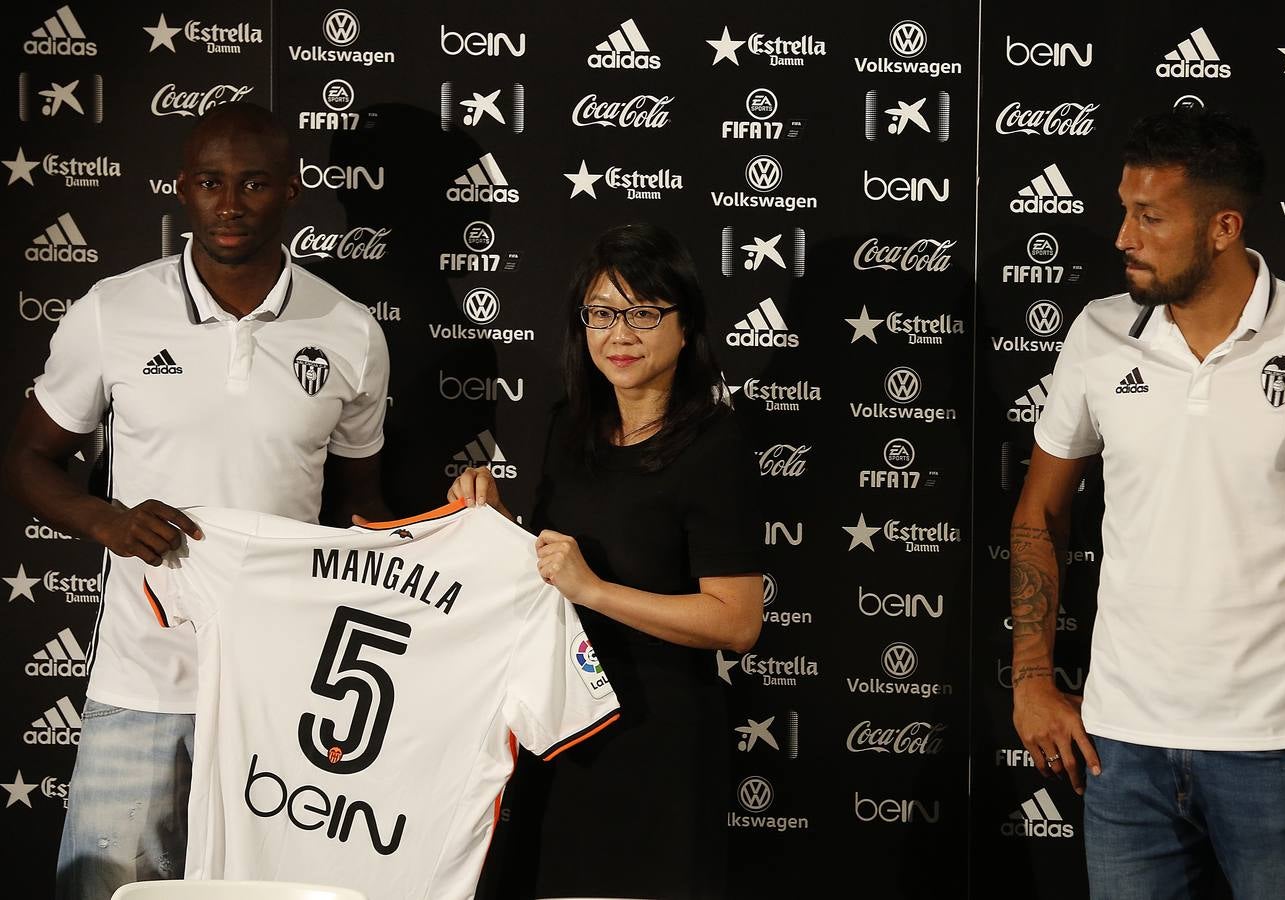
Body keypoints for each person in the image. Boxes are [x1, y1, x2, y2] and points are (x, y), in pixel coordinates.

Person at [1008, 109, 1285, 899]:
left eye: (1150, 216)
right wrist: (1030, 677)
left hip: (1278, 752)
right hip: (1119, 750)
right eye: (1124, 210)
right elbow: (1040, 513)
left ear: (1223, 227)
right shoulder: (1098, 332)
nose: (1124, 235)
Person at [2, 102, 391, 899]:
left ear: (293, 189)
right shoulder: (114, 311)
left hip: (284, 692)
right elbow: (30, 460)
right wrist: (107, 519)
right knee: (106, 891)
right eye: (210, 182)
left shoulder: (349, 332)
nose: (229, 204)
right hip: (143, 677)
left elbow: (364, 515)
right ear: (182, 188)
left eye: (253, 183)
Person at [448, 223, 763, 899]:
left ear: (686, 328)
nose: (619, 334)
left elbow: (735, 622)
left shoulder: (716, 445)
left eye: (643, 313)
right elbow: (550, 566)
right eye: (601, 313)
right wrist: (490, 520)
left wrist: (595, 590)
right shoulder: (571, 427)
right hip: (561, 724)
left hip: (658, 742)